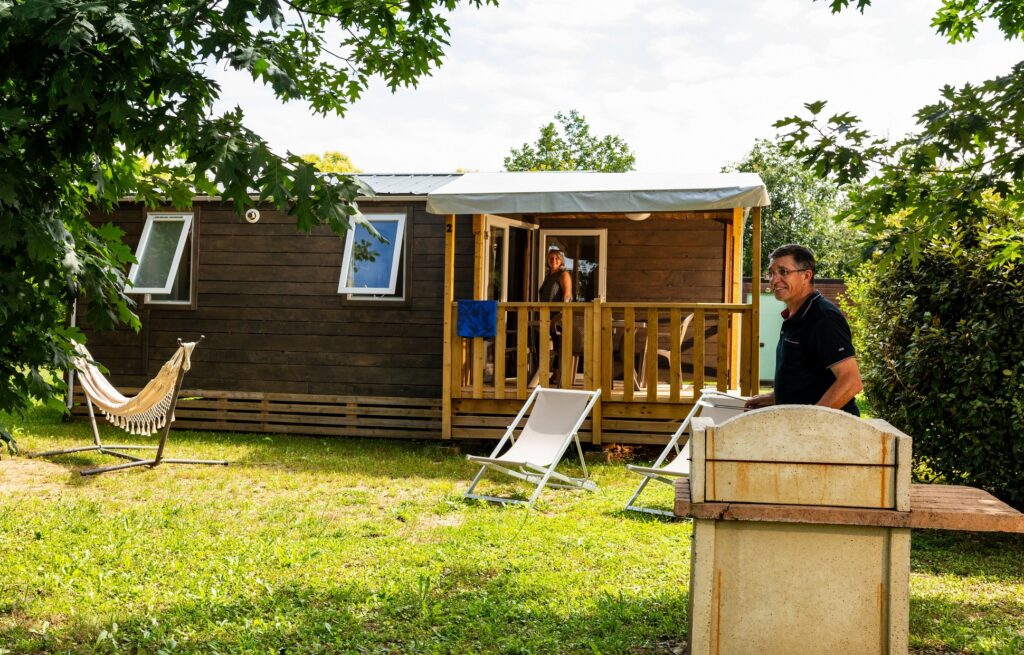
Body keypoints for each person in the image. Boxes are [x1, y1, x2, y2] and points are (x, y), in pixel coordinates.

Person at [745, 244, 863, 415]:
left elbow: (851, 381)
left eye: (783, 272)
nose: (774, 280)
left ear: (806, 275)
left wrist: (809, 422)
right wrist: (775, 397)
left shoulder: (824, 317)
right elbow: (807, 378)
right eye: (771, 273)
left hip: (830, 431)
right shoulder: (795, 315)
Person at [537, 248, 572, 384]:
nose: (554, 261)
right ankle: (544, 373)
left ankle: (557, 374)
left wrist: (563, 311)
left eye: (556, 258)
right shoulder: (548, 276)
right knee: (541, 344)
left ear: (561, 261)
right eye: (551, 258)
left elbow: (567, 294)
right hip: (545, 315)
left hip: (558, 316)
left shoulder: (563, 274)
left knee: (559, 345)